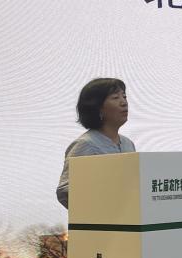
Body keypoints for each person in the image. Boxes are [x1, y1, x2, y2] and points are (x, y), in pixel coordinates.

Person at [56, 78, 136, 208]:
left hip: (129, 216)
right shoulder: (85, 144)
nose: (124, 102)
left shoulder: (128, 144)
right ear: (98, 107)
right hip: (101, 217)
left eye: (124, 96)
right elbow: (65, 191)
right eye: (115, 98)